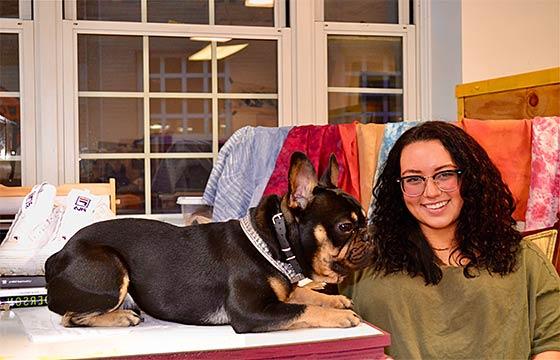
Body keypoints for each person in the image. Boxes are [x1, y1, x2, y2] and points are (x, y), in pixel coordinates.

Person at [341, 121, 560, 359]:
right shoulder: (360, 254)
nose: (431, 192)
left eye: (444, 175)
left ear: (470, 177)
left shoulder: (523, 257)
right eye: (414, 179)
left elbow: (552, 343)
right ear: (398, 188)